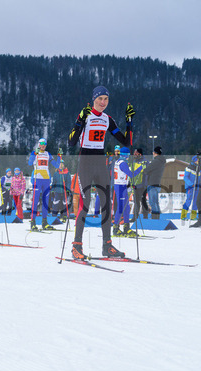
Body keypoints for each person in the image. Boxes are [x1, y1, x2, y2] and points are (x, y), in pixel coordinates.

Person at [67, 85, 133, 259]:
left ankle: (107, 245)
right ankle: (76, 246)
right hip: (85, 163)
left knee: (106, 204)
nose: (103, 102)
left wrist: (129, 122)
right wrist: (79, 120)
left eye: (106, 99)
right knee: (85, 203)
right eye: (100, 99)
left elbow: (126, 142)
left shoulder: (107, 119)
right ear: (94, 99)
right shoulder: (86, 116)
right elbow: (71, 142)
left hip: (100, 164)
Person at [28, 138, 60, 230]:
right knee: (35, 201)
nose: (43, 145)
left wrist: (59, 156)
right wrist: (34, 154)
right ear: (39, 144)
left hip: (46, 180)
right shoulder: (34, 153)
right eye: (41, 143)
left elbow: (56, 165)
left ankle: (44, 222)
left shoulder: (47, 154)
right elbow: (30, 163)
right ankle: (33, 222)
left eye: (45, 144)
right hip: (37, 179)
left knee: (46, 202)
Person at [111, 146, 141, 236]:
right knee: (121, 208)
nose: (128, 157)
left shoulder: (120, 162)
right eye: (128, 155)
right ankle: (115, 228)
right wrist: (141, 168)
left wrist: (129, 184)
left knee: (127, 207)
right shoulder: (122, 163)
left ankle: (126, 227)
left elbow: (125, 175)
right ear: (125, 155)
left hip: (123, 186)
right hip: (120, 187)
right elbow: (132, 174)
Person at [144, 146, 166, 219]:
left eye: (153, 152)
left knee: (152, 202)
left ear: (155, 153)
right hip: (157, 183)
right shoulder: (162, 161)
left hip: (152, 183)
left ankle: (154, 217)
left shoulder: (155, 161)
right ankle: (157, 217)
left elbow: (146, 170)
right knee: (156, 202)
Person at [130, 148, 149, 222]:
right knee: (136, 202)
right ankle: (135, 217)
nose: (134, 154)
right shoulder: (134, 161)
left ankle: (145, 216)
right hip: (135, 185)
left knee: (143, 201)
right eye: (134, 153)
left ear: (140, 154)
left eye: (136, 153)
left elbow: (147, 174)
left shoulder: (145, 162)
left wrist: (145, 184)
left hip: (142, 185)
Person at [180, 154, 199, 223]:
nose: (198, 161)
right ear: (194, 160)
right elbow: (185, 177)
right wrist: (191, 184)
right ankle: (183, 216)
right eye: (197, 160)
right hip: (190, 187)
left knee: (195, 201)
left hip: (197, 187)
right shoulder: (189, 168)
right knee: (188, 200)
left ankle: (193, 216)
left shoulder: (199, 168)